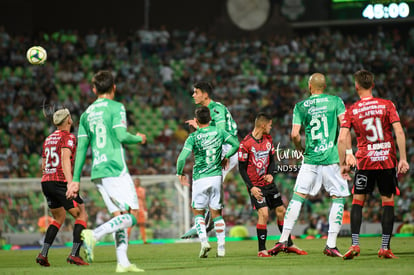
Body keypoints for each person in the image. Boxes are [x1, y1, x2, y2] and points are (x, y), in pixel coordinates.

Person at [66, 70, 147, 273]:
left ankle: (123, 262)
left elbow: (82, 147)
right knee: (133, 215)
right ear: (114, 88)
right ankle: (96, 233)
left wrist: (75, 180)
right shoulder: (116, 107)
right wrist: (139, 138)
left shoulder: (86, 114)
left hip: (98, 171)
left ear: (94, 90)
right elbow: (121, 135)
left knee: (120, 215)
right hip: (115, 167)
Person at [268, 73, 350, 257]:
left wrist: (301, 149)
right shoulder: (336, 101)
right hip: (332, 158)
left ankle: (283, 240)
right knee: (337, 198)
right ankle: (331, 244)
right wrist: (347, 155)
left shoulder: (300, 106)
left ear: (310, 86)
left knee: (298, 196)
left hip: (310, 159)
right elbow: (345, 128)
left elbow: (295, 135)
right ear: (324, 86)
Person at [338, 69, 409, 259]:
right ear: (373, 85)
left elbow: (343, 137)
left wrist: (346, 158)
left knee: (358, 201)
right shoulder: (387, 105)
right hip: (386, 160)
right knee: (388, 201)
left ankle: (354, 245)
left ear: (356, 86)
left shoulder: (352, 110)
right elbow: (399, 132)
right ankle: (384, 247)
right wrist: (403, 158)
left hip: (365, 161)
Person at [238, 113, 307, 257]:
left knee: (281, 210)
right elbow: (241, 169)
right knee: (263, 213)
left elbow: (272, 161)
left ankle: (288, 244)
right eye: (269, 125)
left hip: (269, 184)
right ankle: (262, 250)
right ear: (263, 125)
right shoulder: (245, 144)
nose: (271, 127)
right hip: (256, 186)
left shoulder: (268, 139)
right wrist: (251, 188)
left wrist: (271, 174)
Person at [176, 106, 239, 258]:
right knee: (216, 213)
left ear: (196, 121)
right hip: (216, 176)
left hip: (200, 178)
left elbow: (181, 158)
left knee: (198, 211)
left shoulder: (193, 137)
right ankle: (222, 248)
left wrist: (180, 173)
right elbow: (236, 144)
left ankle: (204, 242)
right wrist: (226, 156)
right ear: (210, 119)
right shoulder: (219, 131)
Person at [181, 81, 238, 239]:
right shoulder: (204, 111)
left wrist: (199, 128)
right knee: (210, 183)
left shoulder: (216, 109)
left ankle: (206, 223)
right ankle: (208, 221)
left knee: (207, 181)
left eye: (196, 92)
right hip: (221, 148)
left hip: (227, 148)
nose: (193, 95)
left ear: (205, 94)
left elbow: (219, 132)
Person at [36, 108, 89, 267]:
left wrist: (49, 178)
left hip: (46, 181)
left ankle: (43, 254)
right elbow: (65, 160)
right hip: (60, 181)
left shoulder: (48, 138)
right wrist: (70, 184)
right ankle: (74, 254)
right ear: (68, 120)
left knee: (58, 218)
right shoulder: (69, 137)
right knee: (81, 215)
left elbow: (44, 164)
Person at [127, 178, 148, 244]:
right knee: (131, 224)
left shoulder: (142, 190)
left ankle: (144, 240)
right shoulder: (131, 190)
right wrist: (129, 209)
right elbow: (129, 199)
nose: (137, 183)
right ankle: (126, 240)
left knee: (142, 224)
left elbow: (144, 199)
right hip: (134, 209)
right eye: (136, 181)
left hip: (141, 209)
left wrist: (145, 209)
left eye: (138, 181)